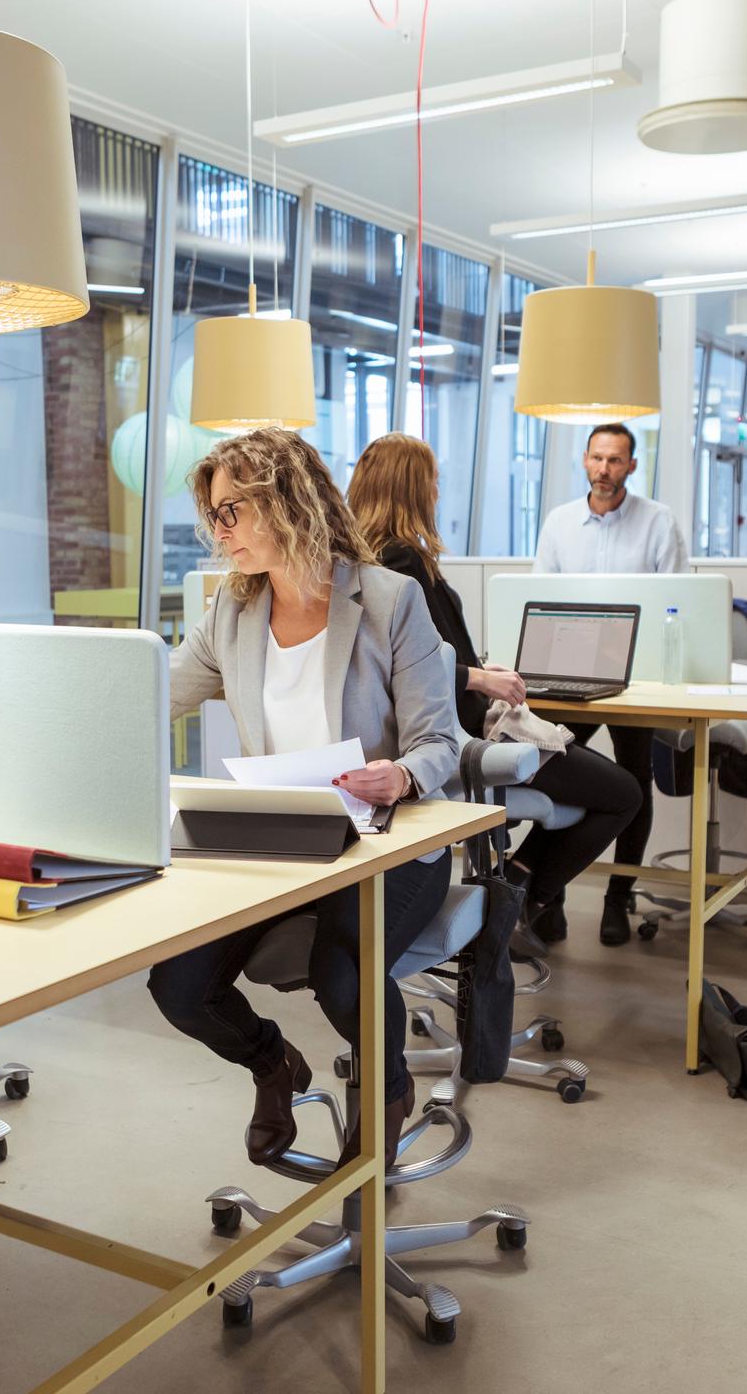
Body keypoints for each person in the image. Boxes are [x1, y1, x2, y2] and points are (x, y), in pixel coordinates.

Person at [153, 428, 458, 1170]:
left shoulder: (390, 600)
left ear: (284, 502)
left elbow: (440, 743)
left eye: (232, 511)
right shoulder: (232, 611)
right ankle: (272, 1064)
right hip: (284, 842)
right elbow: (148, 698)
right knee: (179, 983)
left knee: (343, 974)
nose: (218, 532)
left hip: (390, 841)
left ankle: (387, 1092)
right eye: (214, 514)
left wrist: (402, 775)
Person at [347, 433, 640, 945]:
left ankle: (518, 888)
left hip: (446, 733)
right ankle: (520, 896)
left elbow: (421, 659)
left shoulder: (366, 562)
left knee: (597, 780)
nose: (438, 491)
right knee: (624, 794)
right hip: (463, 742)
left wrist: (477, 671)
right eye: (433, 480)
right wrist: (480, 677)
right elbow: (408, 669)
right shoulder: (400, 564)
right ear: (413, 488)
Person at [532, 422, 688, 946]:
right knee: (554, 770)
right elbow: (541, 601)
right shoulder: (559, 523)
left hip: (635, 678)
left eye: (615, 460)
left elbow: (678, 602)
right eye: (597, 458)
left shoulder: (658, 522)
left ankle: (617, 899)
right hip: (571, 672)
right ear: (583, 461)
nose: (604, 469)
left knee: (634, 781)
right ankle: (547, 898)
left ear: (632, 466)